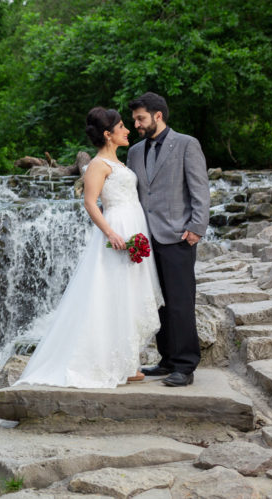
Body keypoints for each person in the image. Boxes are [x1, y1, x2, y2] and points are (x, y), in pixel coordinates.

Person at [14, 107, 164, 388]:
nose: (127, 130)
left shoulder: (119, 162)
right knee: (113, 294)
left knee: (129, 294)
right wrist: (112, 233)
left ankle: (128, 362)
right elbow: (89, 202)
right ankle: (107, 363)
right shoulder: (97, 165)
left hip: (134, 224)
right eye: (121, 127)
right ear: (108, 134)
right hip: (117, 229)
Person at [127, 92, 210, 387]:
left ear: (158, 115)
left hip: (178, 236)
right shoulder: (135, 152)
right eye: (135, 119)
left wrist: (197, 227)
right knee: (158, 302)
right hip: (146, 239)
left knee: (180, 302)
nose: (135, 124)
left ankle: (185, 366)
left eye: (141, 118)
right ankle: (166, 360)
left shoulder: (187, 144)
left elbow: (199, 189)